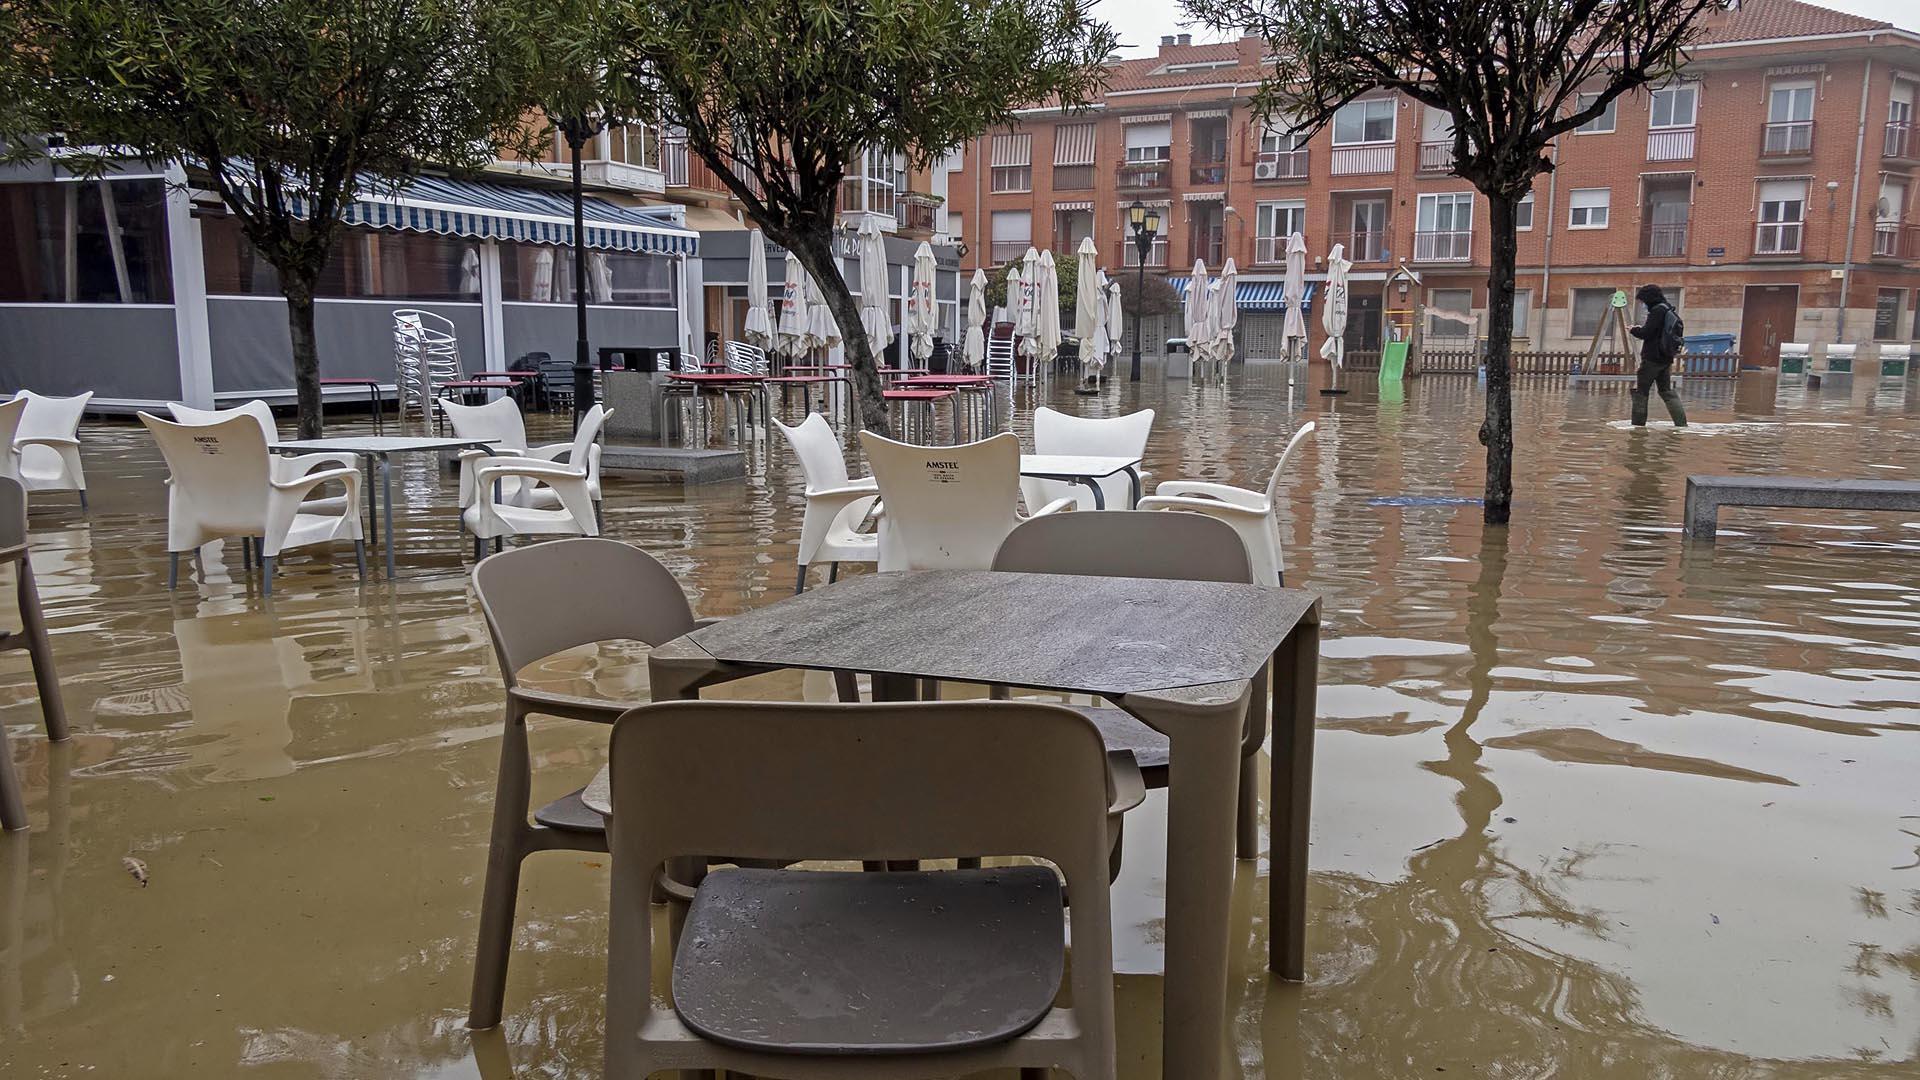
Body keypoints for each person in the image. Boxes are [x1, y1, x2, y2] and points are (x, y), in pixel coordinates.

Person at [1627, 284, 1687, 427]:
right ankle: (1681, 424)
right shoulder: (1667, 309)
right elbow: (1657, 332)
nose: (1642, 304)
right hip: (1665, 358)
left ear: (1648, 298)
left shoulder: (1656, 311)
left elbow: (1647, 333)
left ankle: (1637, 427)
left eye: (1642, 300)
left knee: (1641, 391)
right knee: (1666, 391)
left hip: (1652, 358)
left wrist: (1634, 330)